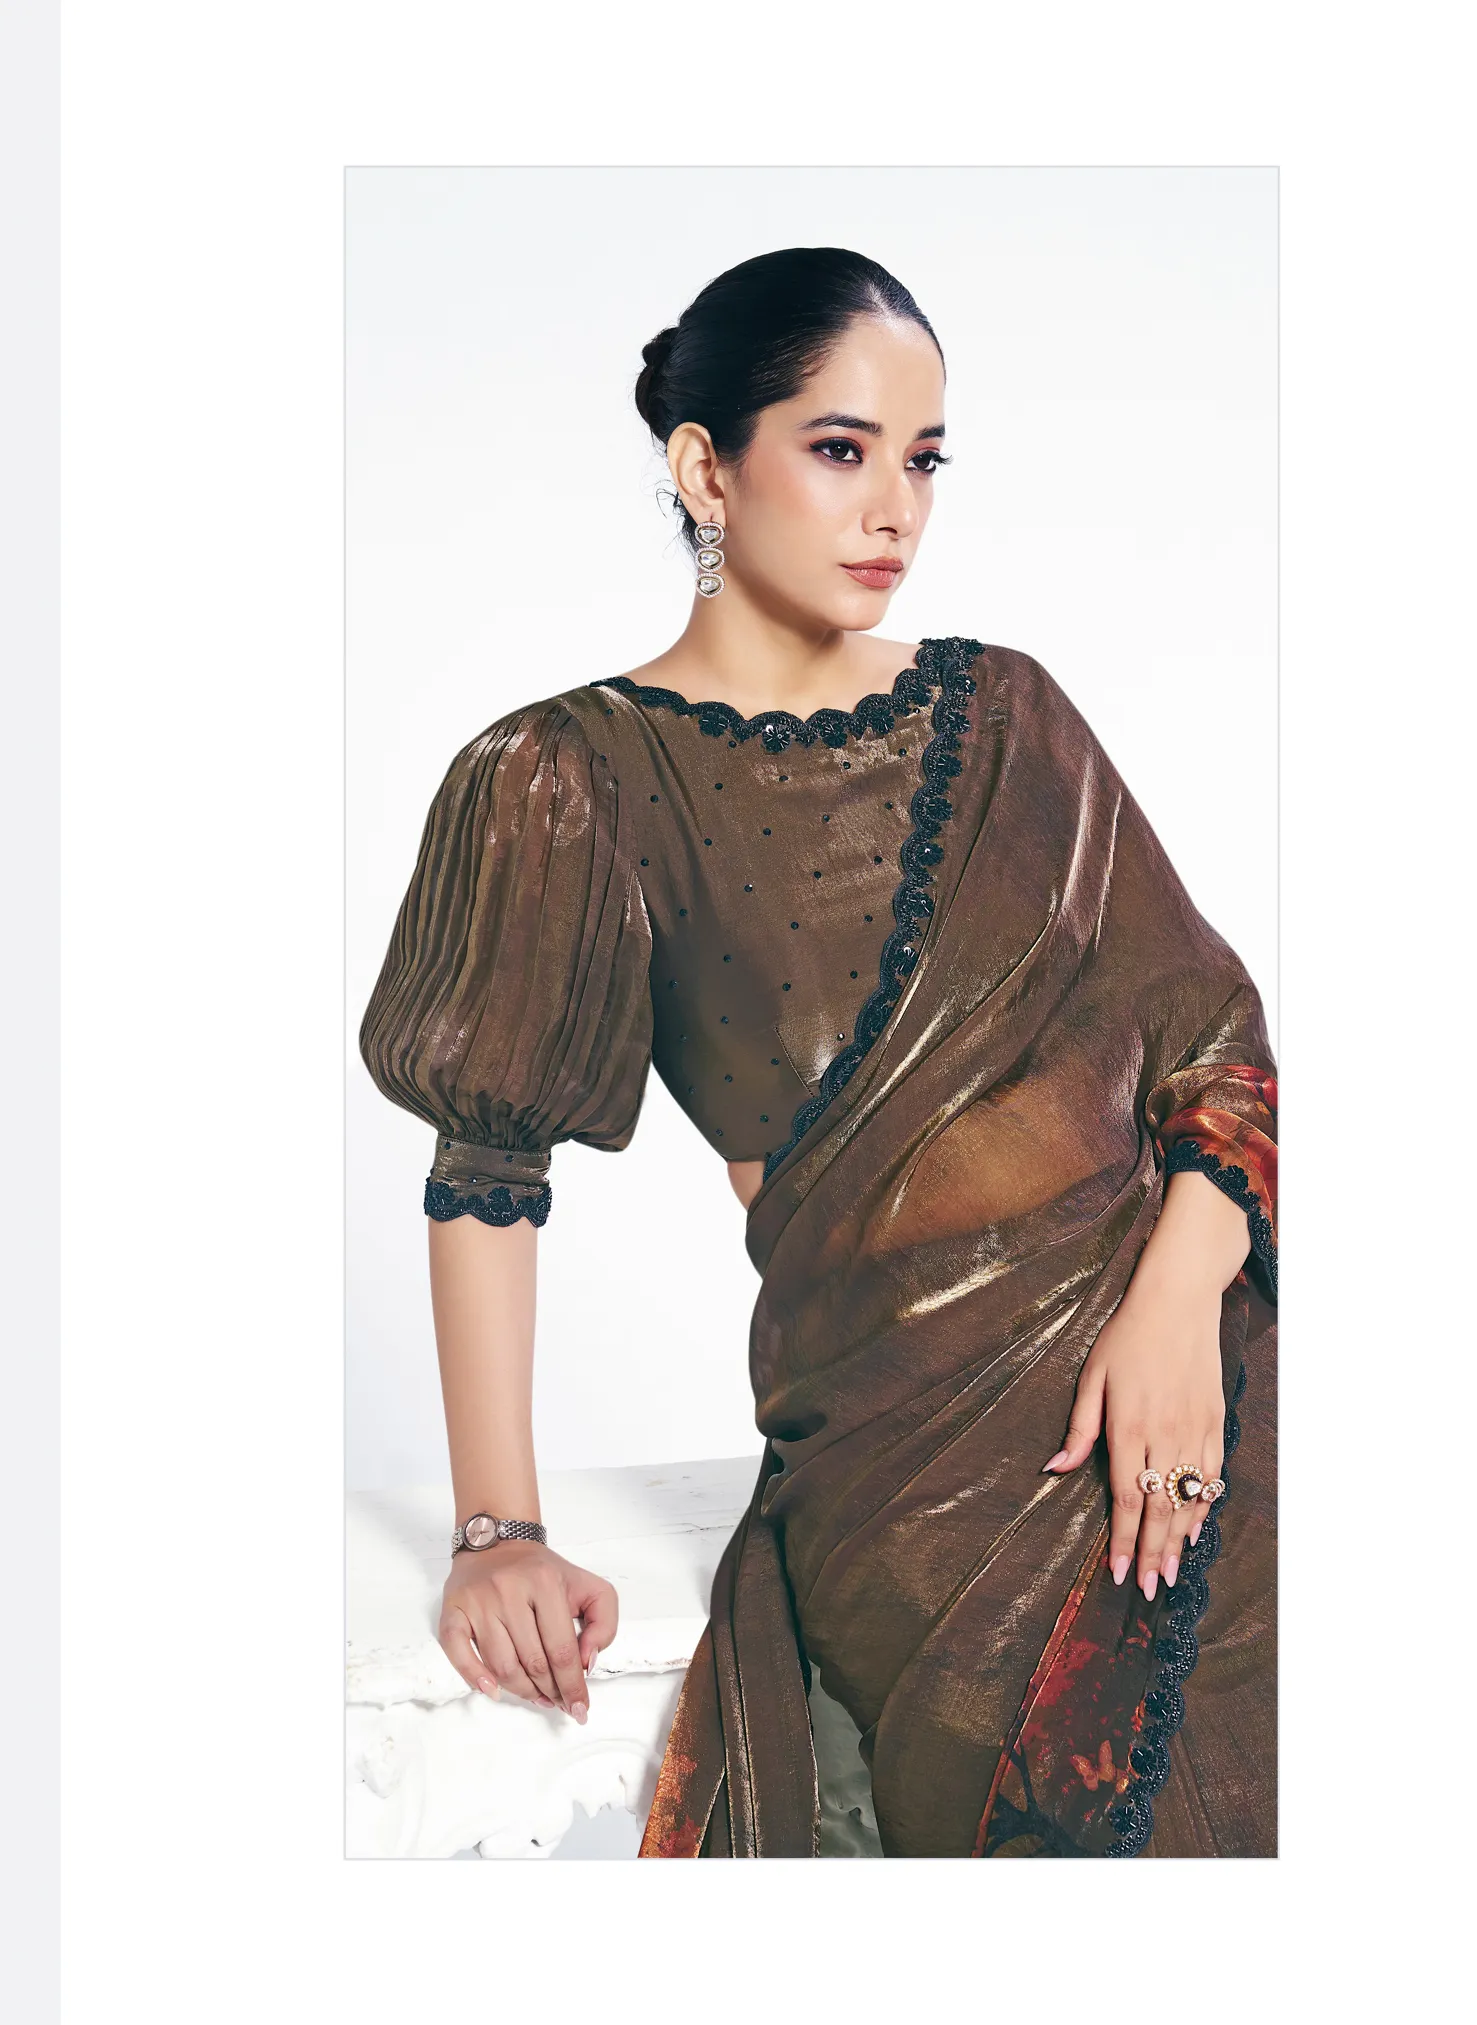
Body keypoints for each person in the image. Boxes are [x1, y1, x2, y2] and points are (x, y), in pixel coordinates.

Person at [357, 246, 1278, 1858]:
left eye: (924, 461)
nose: (894, 511)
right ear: (706, 468)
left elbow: (1220, 1049)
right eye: (842, 450)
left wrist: (1178, 1306)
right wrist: (499, 1530)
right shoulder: (565, 777)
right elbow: (488, 1170)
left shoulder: (1017, 719)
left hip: (1202, 1383)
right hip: (915, 1455)